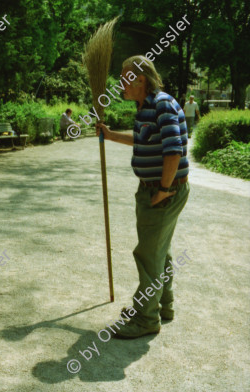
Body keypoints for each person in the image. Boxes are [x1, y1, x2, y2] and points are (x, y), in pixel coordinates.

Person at [95, 55, 190, 339]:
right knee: (159, 251)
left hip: (162, 191)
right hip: (158, 190)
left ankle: (146, 319)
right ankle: (163, 306)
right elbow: (144, 139)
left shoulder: (161, 104)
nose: (120, 84)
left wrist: (162, 190)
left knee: (148, 255)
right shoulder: (147, 107)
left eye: (124, 77)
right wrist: (111, 135)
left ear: (140, 79)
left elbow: (174, 150)